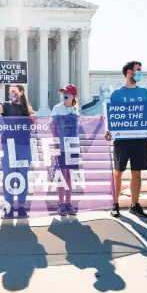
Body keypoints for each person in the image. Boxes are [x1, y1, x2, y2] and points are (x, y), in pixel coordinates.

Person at [105, 61, 147, 219]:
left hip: (139, 139)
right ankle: (115, 203)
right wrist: (108, 129)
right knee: (118, 172)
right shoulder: (117, 94)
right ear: (129, 72)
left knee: (137, 173)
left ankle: (134, 205)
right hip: (121, 139)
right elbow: (112, 115)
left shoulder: (145, 93)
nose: (140, 73)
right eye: (138, 70)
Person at [0, 83, 35, 219]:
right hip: (8, 144)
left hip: (23, 145)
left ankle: (21, 206)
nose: (12, 93)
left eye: (14, 91)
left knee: (22, 175)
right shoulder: (6, 105)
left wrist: (33, 121)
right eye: (10, 91)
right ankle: (8, 206)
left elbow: (32, 130)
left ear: (21, 92)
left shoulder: (28, 110)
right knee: (8, 176)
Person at [51, 84, 80, 216]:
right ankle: (60, 203)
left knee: (68, 174)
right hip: (61, 145)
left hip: (72, 145)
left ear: (73, 95)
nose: (64, 95)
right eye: (63, 92)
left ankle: (68, 203)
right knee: (61, 174)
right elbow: (53, 127)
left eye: (67, 93)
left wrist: (99, 119)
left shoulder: (75, 109)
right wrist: (56, 143)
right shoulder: (57, 108)